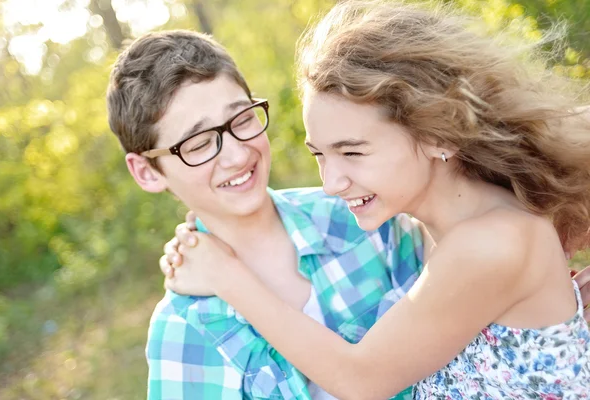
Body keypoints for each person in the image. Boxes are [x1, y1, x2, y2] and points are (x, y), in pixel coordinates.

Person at [159, 1, 590, 398]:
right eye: (319, 155)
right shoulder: (450, 229)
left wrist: (226, 279)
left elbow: (360, 379)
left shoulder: (489, 243)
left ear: (439, 132)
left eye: (352, 152)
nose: (331, 182)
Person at [107, 29, 428, 399]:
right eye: (198, 144)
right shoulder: (185, 330)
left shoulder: (359, 220)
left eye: (242, 119)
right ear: (147, 172)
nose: (238, 156)